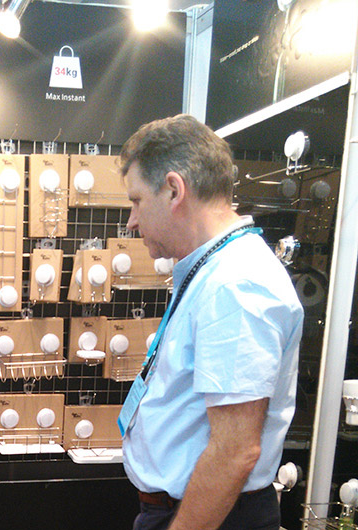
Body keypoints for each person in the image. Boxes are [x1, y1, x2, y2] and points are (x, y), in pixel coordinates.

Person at [117, 115, 303, 530]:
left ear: (174, 190)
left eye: (137, 201)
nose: (132, 221)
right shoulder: (214, 272)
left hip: (208, 516)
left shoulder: (236, 283)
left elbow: (235, 451)